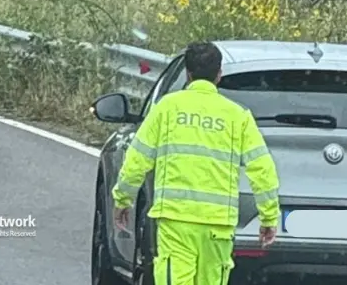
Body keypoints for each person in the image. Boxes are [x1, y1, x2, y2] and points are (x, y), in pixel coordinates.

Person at [111, 41, 281, 285]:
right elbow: (262, 170)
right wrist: (268, 217)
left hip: (176, 220)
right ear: (219, 75)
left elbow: (137, 158)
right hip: (218, 227)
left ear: (188, 74)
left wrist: (123, 199)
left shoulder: (167, 109)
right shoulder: (237, 116)